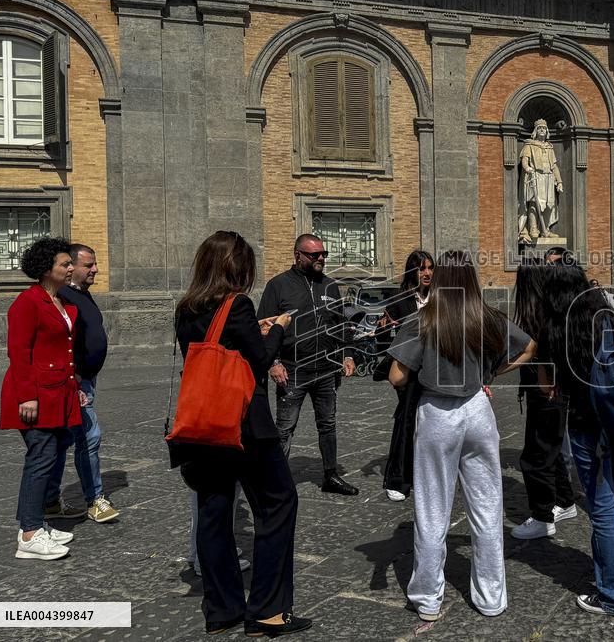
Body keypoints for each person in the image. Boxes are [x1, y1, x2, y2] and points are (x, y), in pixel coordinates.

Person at [388, 251, 536, 622]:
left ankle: (427, 597)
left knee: (432, 508)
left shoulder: (423, 319)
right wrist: (493, 372)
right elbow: (530, 346)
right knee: (486, 507)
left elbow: (397, 376)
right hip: (477, 409)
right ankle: (491, 597)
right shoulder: (486, 317)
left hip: (438, 413)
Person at [173, 231, 307, 637]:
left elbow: (216, 347)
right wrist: (279, 327)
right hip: (244, 424)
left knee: (214, 514)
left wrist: (255, 328)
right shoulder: (238, 303)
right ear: (237, 267)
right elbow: (261, 359)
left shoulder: (186, 307)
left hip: (201, 425)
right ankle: (267, 610)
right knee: (278, 503)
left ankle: (222, 609)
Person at [538, 263, 614, 618]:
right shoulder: (603, 311)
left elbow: (547, 386)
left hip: (587, 423)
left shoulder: (555, 324)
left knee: (602, 509)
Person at [0, 237, 82, 560]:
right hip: (34, 394)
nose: (71, 267)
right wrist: (27, 397)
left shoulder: (62, 301)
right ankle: (30, 534)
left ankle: (34, 523)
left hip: (59, 392)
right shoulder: (28, 302)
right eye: (65, 264)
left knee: (50, 453)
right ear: (47, 269)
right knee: (41, 457)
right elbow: (19, 352)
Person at [259, 233, 358, 496]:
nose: (321, 259)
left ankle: (330, 475)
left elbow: (342, 326)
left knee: (328, 424)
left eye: (323, 254)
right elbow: (264, 328)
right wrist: (274, 363)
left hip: (326, 370)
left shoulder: (330, 286)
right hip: (292, 370)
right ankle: (275, 480)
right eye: (315, 255)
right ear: (298, 255)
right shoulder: (278, 286)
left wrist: (347, 354)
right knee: (285, 428)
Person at [51, 244, 119, 523]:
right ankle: (95, 499)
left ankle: (49, 501)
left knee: (64, 439)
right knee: (88, 438)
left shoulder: (81, 295)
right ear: (71, 265)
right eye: (88, 265)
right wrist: (75, 380)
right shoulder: (62, 297)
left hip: (85, 380)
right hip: (75, 383)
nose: (95, 270)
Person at [510, 259, 577, 540]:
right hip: (555, 389)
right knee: (551, 448)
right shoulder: (554, 309)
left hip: (546, 390)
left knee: (535, 455)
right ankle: (565, 500)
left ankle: (542, 517)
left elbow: (537, 354)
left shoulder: (538, 314)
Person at [380, 250, 433, 502]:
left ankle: (426, 473)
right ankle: (398, 478)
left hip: (435, 370)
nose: (427, 273)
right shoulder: (399, 300)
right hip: (408, 371)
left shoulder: (440, 297)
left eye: (430, 268)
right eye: (422, 268)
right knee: (406, 419)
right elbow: (387, 337)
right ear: (412, 271)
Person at [519, 118, 564, 242]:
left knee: (549, 204)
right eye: (540, 128)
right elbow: (524, 160)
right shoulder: (529, 145)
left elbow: (554, 166)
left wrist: (559, 181)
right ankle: (533, 228)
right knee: (534, 203)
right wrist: (528, 168)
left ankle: (546, 230)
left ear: (547, 130)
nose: (542, 130)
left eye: (544, 128)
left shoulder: (549, 147)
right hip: (536, 176)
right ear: (535, 131)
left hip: (548, 178)